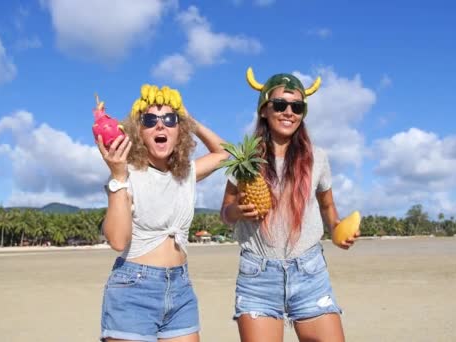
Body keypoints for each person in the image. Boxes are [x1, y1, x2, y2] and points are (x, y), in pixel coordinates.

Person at [220, 68, 360, 342]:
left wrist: (337, 229)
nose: (289, 112)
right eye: (280, 105)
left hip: (309, 271)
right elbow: (225, 212)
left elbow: (327, 206)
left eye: (297, 107)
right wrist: (236, 211)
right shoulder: (243, 158)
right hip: (258, 274)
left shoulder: (317, 157)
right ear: (264, 110)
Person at [97, 84, 228, 342]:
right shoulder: (128, 173)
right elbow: (117, 241)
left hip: (180, 288)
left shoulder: (187, 173)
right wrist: (117, 177)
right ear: (138, 131)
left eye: (170, 120)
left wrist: (191, 121)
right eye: (150, 120)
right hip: (133, 289)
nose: (160, 126)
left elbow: (227, 154)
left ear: (180, 131)